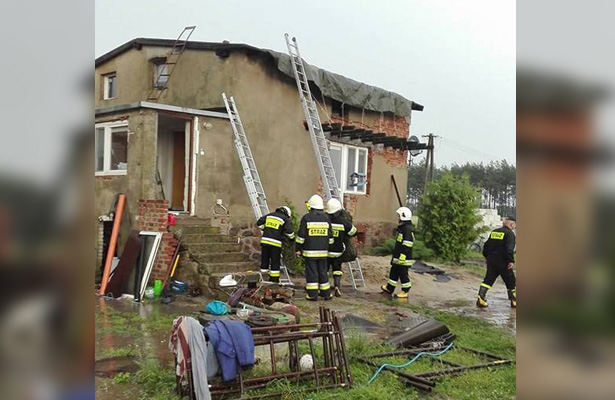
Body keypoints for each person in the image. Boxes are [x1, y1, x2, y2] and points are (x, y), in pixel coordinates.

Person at [296, 195, 334, 301]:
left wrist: (298, 248)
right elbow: (330, 237)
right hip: (323, 252)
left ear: (311, 206)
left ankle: (313, 294)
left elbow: (301, 236)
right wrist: (328, 247)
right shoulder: (326, 218)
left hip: (310, 252)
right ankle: (326, 294)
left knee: (312, 272)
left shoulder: (306, 218)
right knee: (323, 272)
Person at [477, 216, 517, 308]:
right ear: (511, 224)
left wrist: (488, 257)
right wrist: (511, 260)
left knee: (488, 280)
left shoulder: (494, 232)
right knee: (511, 281)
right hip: (503, 262)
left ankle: (481, 298)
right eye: (514, 225)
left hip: (492, 260)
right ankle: (514, 301)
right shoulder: (510, 234)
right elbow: (509, 249)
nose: (514, 227)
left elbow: (486, 246)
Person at [326, 198, 357, 297]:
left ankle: (324, 287)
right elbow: (354, 232)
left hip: (326, 250)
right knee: (337, 269)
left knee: (325, 269)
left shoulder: (324, 219)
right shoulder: (343, 222)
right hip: (338, 251)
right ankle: (337, 286)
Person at [381, 207, 415, 298]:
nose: (398, 218)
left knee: (403, 274)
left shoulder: (407, 229)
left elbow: (408, 243)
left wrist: (403, 256)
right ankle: (390, 288)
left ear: (403, 216)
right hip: (398, 257)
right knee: (394, 272)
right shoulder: (402, 228)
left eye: (399, 216)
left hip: (403, 258)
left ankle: (405, 291)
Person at [256, 206, 295, 283]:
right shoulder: (285, 219)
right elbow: (290, 233)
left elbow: (259, 223)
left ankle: (263, 277)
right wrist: (292, 239)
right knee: (275, 262)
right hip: (275, 243)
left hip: (265, 242)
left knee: (265, 260)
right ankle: (274, 280)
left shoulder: (269, 215)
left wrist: (265, 228)